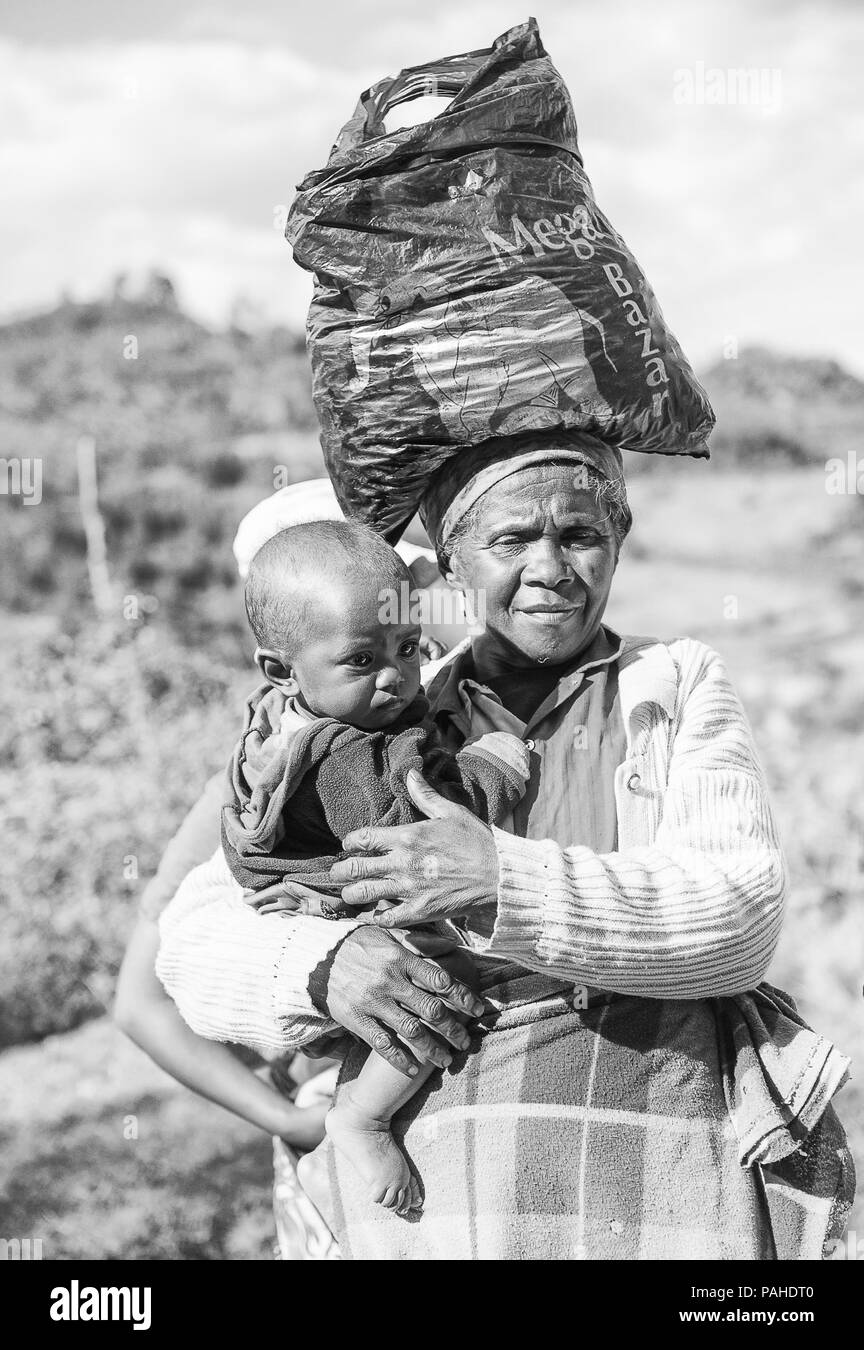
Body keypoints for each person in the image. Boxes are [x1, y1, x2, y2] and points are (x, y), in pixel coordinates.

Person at [155, 432, 854, 1260]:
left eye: (582, 535)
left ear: (620, 543)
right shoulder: (380, 713)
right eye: (511, 539)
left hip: (659, 1178)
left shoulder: (673, 685)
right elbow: (188, 942)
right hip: (440, 1206)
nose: (552, 568)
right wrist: (326, 964)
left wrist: (500, 879)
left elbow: (739, 921)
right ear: (449, 563)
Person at [220, 518, 529, 1213]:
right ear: (280, 668)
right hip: (361, 909)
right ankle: (363, 1115)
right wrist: (495, 763)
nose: (397, 677)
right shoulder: (347, 759)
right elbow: (423, 826)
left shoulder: (284, 723)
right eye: (363, 662)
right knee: (438, 985)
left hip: (321, 894)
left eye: (409, 647)